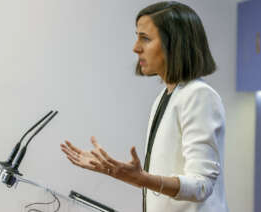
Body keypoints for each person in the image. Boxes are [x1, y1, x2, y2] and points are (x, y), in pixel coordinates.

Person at [60, 1, 228, 212]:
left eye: (145, 38)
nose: (135, 47)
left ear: (174, 44)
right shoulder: (164, 97)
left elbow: (201, 186)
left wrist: (141, 178)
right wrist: (116, 171)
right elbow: (157, 182)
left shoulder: (200, 96)